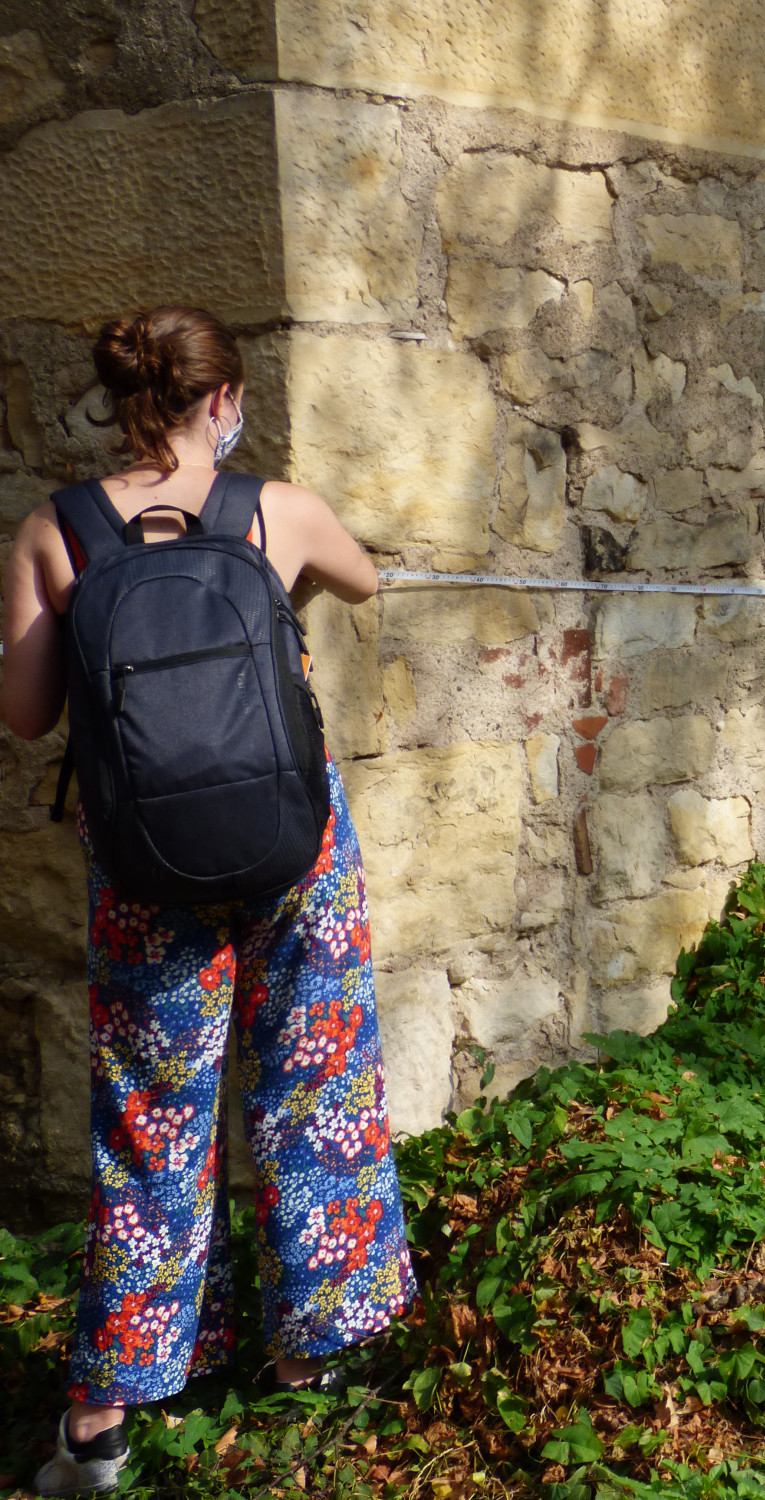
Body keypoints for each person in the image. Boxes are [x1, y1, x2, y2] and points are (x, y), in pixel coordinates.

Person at [1, 307, 413, 1497]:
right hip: (294, 845)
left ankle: (102, 1419)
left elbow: (28, 716)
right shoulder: (272, 512)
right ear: (224, 401)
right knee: (315, 1079)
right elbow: (365, 578)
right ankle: (313, 1346)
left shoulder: (55, 530)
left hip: (144, 872)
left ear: (115, 399)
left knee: (149, 1123)